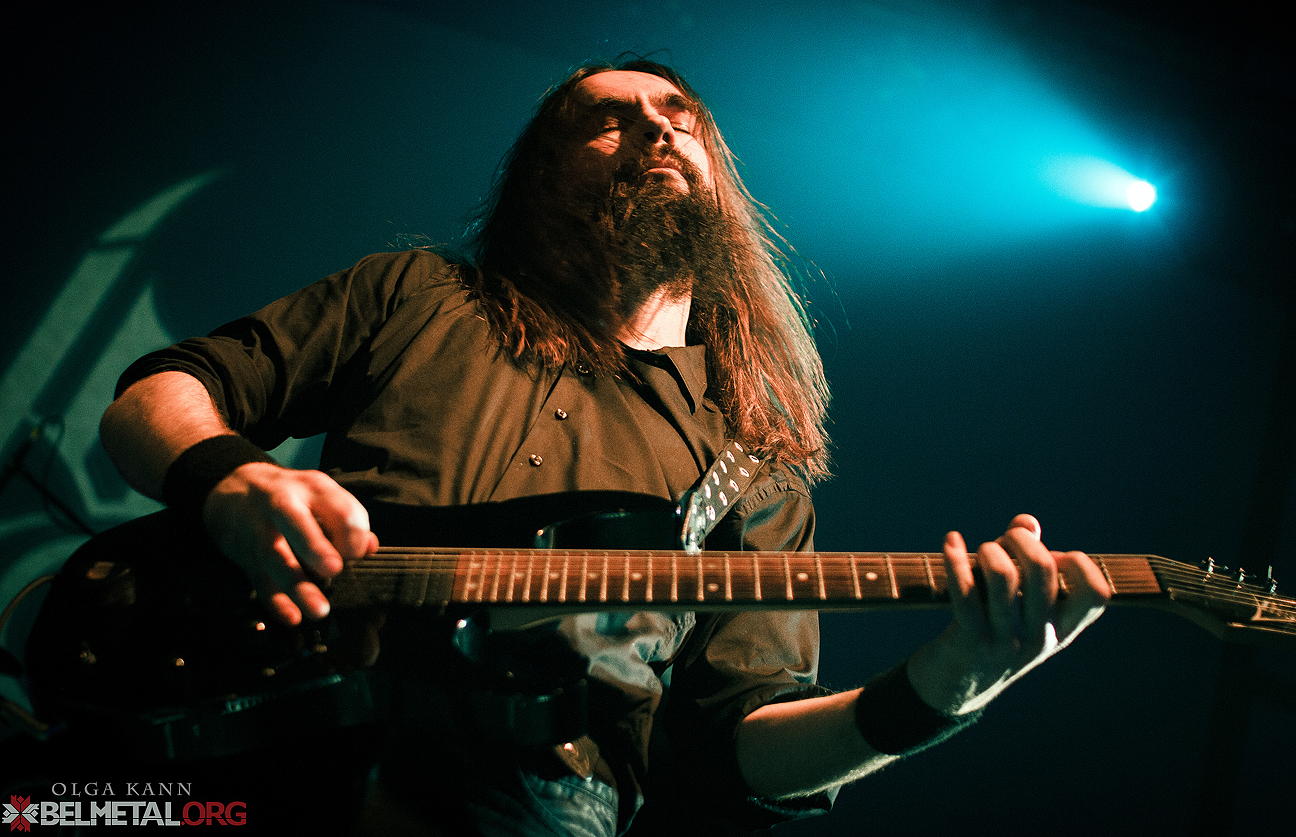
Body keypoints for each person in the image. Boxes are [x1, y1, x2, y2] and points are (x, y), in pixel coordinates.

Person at [98, 59, 1110, 835]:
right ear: (543, 172)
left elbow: (734, 750)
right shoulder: (413, 296)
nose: (657, 129)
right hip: (262, 741)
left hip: (534, 803)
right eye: (609, 118)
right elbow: (156, 397)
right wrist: (231, 483)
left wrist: (952, 683)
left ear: (718, 177)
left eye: (680, 116)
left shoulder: (754, 472)